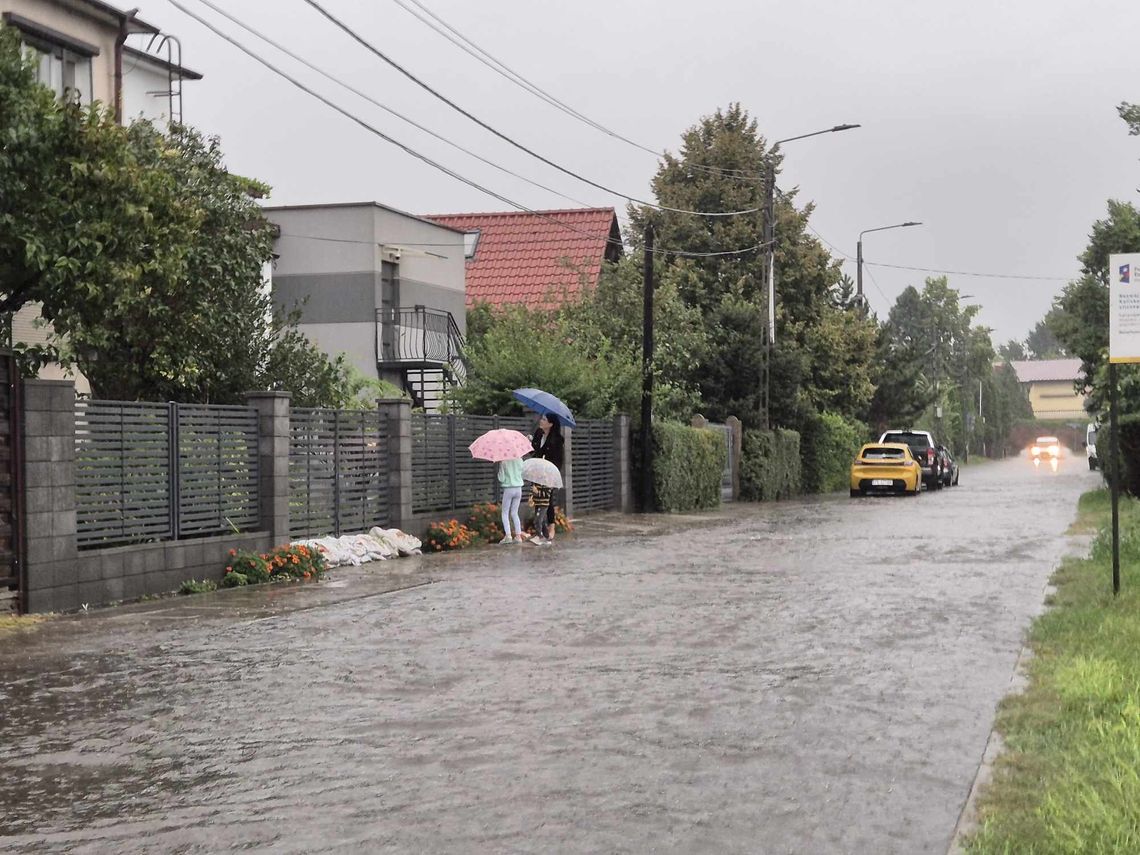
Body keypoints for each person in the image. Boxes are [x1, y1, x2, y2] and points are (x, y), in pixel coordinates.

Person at [531, 413, 564, 542]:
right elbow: (533, 451)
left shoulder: (557, 439)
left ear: (550, 424)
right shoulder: (538, 433)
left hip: (549, 473)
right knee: (537, 499)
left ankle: (551, 525)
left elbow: (558, 460)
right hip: (537, 471)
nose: (541, 421)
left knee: (547, 500)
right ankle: (540, 532)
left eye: (544, 419)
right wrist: (529, 443)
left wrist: (552, 474)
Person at [497, 457, 525, 544]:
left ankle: (508, 536)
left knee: (504, 513)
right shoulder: (520, 460)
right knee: (514, 513)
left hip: (509, 489)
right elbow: (522, 474)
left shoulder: (504, 461)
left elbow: (501, 478)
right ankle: (518, 536)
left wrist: (500, 467)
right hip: (519, 489)